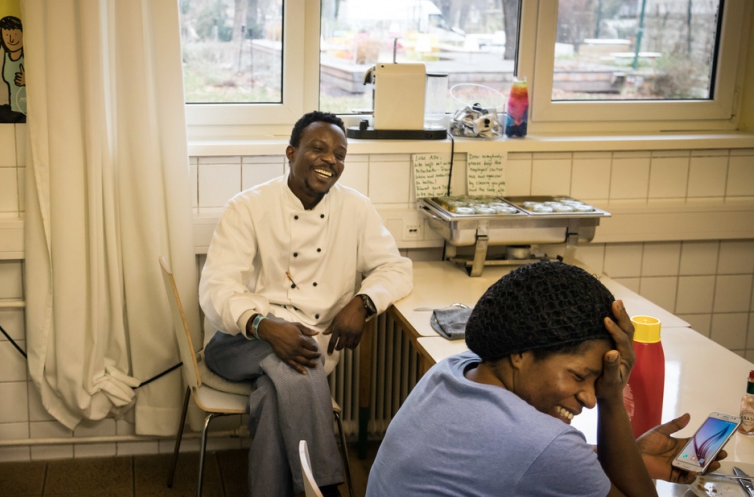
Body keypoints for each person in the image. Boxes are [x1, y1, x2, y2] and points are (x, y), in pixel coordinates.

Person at [366, 261, 725, 497]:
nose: (589, 397)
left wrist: (636, 456)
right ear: (521, 353)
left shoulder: (455, 370)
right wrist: (613, 397)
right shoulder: (542, 442)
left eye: (600, 381)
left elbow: (522, 460)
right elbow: (543, 453)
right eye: (581, 376)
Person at [199, 111, 413, 497]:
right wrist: (264, 326)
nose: (331, 159)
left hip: (307, 347)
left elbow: (396, 269)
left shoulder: (356, 208)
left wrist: (363, 302)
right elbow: (217, 288)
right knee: (304, 363)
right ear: (291, 152)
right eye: (318, 148)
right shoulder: (248, 207)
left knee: (276, 391)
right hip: (238, 342)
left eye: (340, 154)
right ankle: (327, 488)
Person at [0, 15, 26, 121]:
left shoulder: (30, 59)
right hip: (12, 111)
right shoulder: (2, 56)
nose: (11, 39)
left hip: (27, 112)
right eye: (7, 34)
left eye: (15, 34)